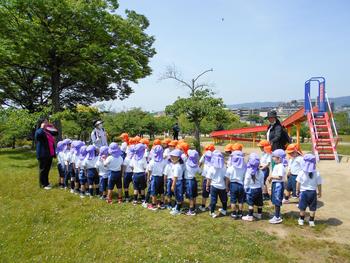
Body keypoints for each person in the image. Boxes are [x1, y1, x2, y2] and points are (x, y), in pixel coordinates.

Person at [296, 154, 322, 227]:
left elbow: (298, 183)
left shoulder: (301, 172)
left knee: (302, 208)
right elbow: (319, 184)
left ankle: (301, 220)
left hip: (304, 193)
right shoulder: (317, 173)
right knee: (312, 208)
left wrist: (297, 191)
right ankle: (311, 221)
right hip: (313, 193)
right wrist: (319, 193)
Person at [34, 118, 58, 189]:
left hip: (49, 153)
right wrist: (42, 127)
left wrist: (52, 127)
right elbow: (37, 136)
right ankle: (42, 184)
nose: (47, 123)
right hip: (42, 154)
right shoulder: (39, 131)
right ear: (41, 123)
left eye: (47, 121)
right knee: (43, 169)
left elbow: (56, 133)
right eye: (45, 122)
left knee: (47, 169)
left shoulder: (47, 131)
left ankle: (46, 183)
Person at [267, 149, 288, 224]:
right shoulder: (277, 165)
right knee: (275, 200)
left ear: (279, 158)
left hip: (278, 185)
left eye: (274, 157)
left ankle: (277, 217)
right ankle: (277, 214)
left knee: (277, 200)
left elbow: (280, 177)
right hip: (276, 184)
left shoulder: (280, 166)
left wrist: (271, 177)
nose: (272, 158)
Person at [242, 153, 264, 221]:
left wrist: (245, 188)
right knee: (259, 203)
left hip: (251, 190)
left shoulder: (248, 172)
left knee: (251, 204)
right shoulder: (260, 172)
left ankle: (250, 216)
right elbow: (262, 182)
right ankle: (259, 214)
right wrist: (261, 189)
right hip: (259, 189)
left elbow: (246, 181)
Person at [206, 150, 228, 218]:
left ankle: (212, 212)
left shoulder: (211, 168)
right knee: (224, 199)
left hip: (214, 186)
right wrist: (227, 186)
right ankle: (224, 210)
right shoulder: (224, 167)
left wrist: (207, 186)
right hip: (222, 186)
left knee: (213, 200)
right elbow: (226, 178)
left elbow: (209, 178)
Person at [225, 150, 247, 219]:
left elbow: (227, 179)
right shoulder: (244, 168)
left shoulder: (230, 168)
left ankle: (234, 214)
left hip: (233, 185)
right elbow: (245, 177)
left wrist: (226, 186)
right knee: (241, 200)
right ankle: (240, 213)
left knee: (233, 200)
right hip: (241, 185)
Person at [146, 145, 167, 210]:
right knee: (161, 191)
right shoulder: (164, 161)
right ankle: (162, 203)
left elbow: (149, 171)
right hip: (161, 177)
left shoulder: (152, 161)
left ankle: (153, 204)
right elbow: (165, 170)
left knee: (154, 192)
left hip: (154, 178)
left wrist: (148, 178)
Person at [184, 150, 201, 216]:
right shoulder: (196, 165)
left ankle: (191, 210)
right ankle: (194, 207)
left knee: (190, 196)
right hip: (194, 180)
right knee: (194, 195)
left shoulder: (186, 164)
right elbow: (200, 172)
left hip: (188, 181)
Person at [169, 149, 184, 216]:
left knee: (178, 196)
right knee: (177, 195)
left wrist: (173, 185)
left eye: (173, 156)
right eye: (171, 156)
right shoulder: (176, 165)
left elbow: (175, 177)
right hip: (177, 182)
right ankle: (177, 207)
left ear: (178, 158)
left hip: (177, 182)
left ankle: (178, 209)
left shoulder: (177, 166)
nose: (171, 158)